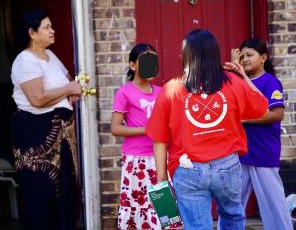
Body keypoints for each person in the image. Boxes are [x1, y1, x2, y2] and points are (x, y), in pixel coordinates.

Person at [146, 29, 269, 230]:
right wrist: (244, 77)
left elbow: (159, 138)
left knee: (197, 227)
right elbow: (262, 108)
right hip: (228, 167)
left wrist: (161, 180)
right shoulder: (233, 82)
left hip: (188, 170)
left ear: (185, 55)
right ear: (215, 53)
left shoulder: (171, 89)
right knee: (233, 217)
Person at [10, 9, 82, 230]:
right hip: (36, 134)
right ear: (32, 33)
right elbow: (37, 99)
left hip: (61, 135)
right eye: (47, 27)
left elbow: (67, 80)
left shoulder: (50, 56)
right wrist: (68, 89)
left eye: (52, 26)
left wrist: (71, 91)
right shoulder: (25, 60)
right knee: (41, 194)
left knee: (66, 193)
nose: (53, 31)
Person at [231, 38, 293, 230]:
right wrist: (234, 70)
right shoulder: (238, 80)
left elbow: (277, 113)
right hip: (241, 152)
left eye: (249, 55)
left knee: (273, 204)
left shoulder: (270, 82)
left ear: (263, 58)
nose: (245, 59)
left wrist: (246, 120)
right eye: (242, 56)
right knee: (233, 202)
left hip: (264, 153)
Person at [111, 43, 162, 229]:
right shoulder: (125, 92)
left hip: (160, 157)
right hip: (137, 160)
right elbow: (115, 128)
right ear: (133, 65)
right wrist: (146, 129)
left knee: (163, 207)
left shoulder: (161, 92)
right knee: (140, 207)